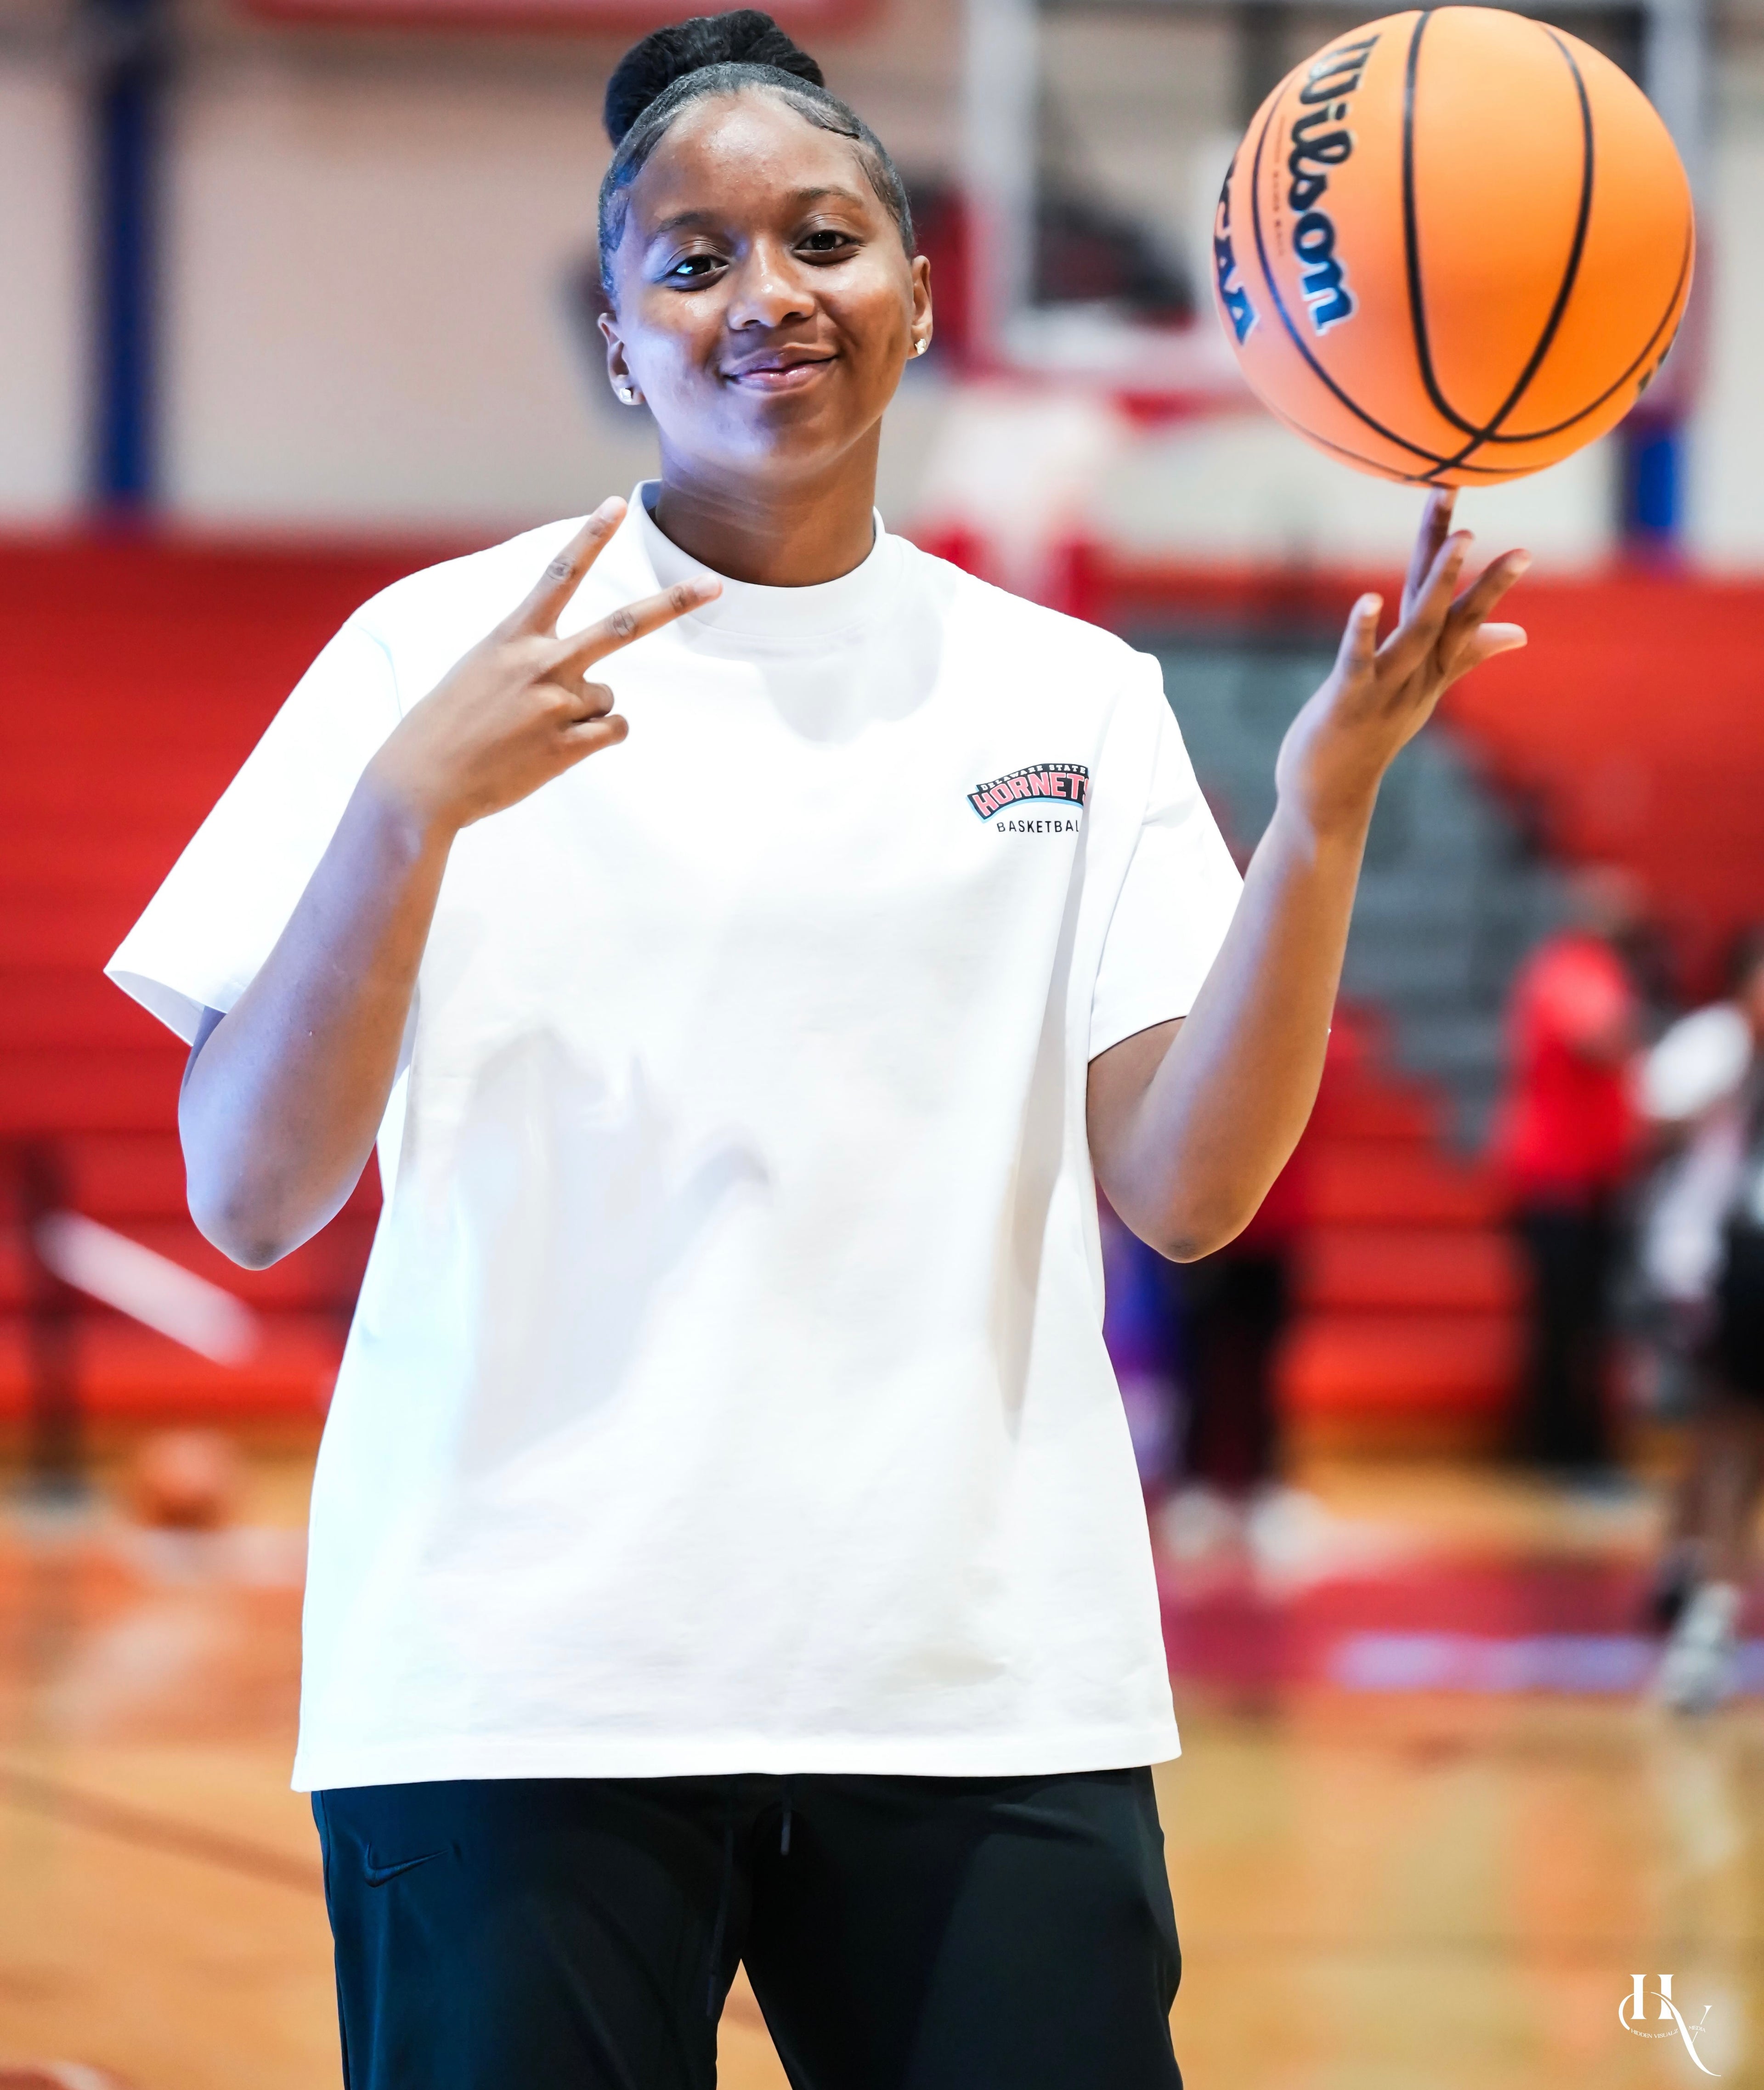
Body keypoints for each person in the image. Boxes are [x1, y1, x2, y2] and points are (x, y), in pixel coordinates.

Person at [104, 14, 1528, 2084]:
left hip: (977, 1687)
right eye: (691, 260)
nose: (765, 293)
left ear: (921, 291)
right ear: (619, 336)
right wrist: (403, 816)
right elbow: (247, 1191)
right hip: (518, 1689)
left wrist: (1317, 821)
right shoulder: (429, 660)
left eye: (824, 236)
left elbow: (1192, 1186)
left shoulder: (1074, 695)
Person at [1640, 933, 1764, 1711]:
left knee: (1729, 1442)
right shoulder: (1720, 1046)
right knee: (1723, 1435)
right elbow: (1655, 1116)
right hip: (1723, 1265)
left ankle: (1698, 1584)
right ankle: (1698, 1596)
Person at [1497, 867, 1643, 1473]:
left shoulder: (1601, 970)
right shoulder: (1566, 969)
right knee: (1560, 1322)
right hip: (1555, 1179)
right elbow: (1598, 1037)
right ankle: (1552, 1450)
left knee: (1589, 1321)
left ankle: (1582, 1446)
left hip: (1594, 1177)